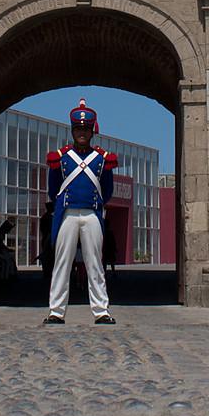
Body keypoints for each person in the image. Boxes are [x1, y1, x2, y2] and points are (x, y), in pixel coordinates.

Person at [45, 100, 117, 325]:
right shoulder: (62, 157)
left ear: (92, 131)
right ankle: (56, 311)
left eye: (85, 129)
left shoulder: (102, 159)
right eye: (78, 129)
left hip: (91, 214)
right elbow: (53, 188)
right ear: (72, 131)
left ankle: (101, 310)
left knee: (94, 262)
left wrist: (96, 206)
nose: (82, 133)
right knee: (62, 263)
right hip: (68, 213)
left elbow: (107, 189)